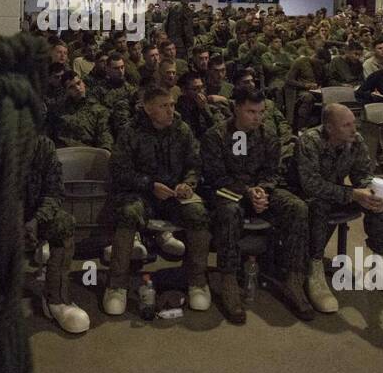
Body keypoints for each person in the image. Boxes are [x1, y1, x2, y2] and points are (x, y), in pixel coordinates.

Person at [293, 103, 383, 312]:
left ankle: (381, 267)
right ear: (330, 128)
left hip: (336, 190)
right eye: (346, 125)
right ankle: (313, 269)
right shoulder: (310, 140)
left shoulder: (355, 140)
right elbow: (311, 185)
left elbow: (361, 174)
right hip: (304, 194)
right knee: (319, 204)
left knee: (381, 203)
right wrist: (353, 194)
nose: (354, 129)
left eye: (354, 123)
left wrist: (371, 190)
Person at [201, 87, 314, 323]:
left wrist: (263, 190)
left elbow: (273, 173)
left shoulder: (268, 135)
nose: (257, 117)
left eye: (261, 112)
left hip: (261, 191)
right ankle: (229, 280)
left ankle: (293, 279)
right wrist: (247, 192)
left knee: (297, 207)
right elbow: (215, 177)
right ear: (236, 108)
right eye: (251, 111)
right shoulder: (217, 135)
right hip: (228, 192)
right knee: (229, 210)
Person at [103, 87, 211, 316]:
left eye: (172, 105)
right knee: (127, 213)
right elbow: (119, 170)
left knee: (198, 213)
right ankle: (117, 284)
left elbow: (195, 164)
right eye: (164, 106)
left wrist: (188, 184)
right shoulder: (131, 132)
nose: (171, 110)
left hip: (174, 194)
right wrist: (149, 184)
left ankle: (197, 281)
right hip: (143, 194)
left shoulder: (182, 130)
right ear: (148, 108)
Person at [25, 136, 90, 334]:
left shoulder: (42, 145)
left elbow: (54, 192)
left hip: (34, 214)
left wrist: (37, 219)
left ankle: (56, 298)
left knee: (63, 223)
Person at [47, 72, 113, 149]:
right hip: (63, 152)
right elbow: (48, 133)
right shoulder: (57, 111)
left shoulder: (98, 110)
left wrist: (105, 150)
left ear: (83, 83)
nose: (78, 88)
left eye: (79, 83)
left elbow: (104, 134)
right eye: (71, 87)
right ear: (66, 91)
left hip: (87, 152)